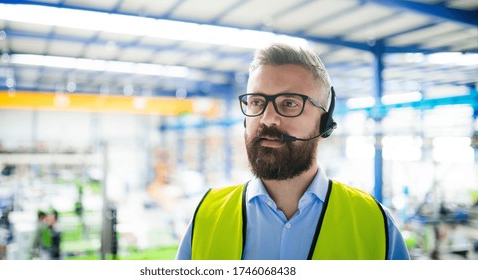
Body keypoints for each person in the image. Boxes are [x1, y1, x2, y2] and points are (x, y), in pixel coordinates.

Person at [175, 41, 410, 260]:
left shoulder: (375, 223)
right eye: (257, 102)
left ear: (324, 122)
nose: (268, 119)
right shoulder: (206, 215)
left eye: (289, 103)